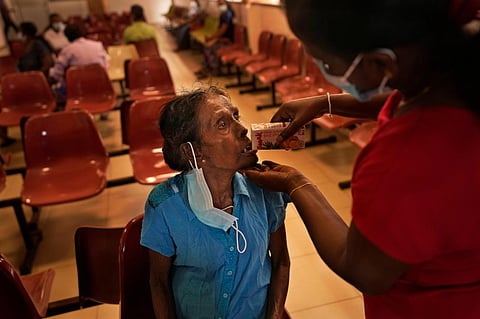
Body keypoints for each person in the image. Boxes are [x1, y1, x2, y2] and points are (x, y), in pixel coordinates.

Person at [242, 0, 480, 318]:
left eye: (326, 63)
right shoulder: (447, 70)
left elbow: (365, 270)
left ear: (380, 63)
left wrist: (296, 184)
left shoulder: (404, 159)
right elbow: (406, 95)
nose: (324, 71)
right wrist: (326, 102)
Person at [141, 86, 290, 318]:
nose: (242, 129)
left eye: (236, 117)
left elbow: (281, 262)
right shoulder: (164, 205)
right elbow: (158, 282)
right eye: (222, 125)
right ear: (194, 152)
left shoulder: (266, 188)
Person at [49, 23, 108, 110]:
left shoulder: (67, 50)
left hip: (77, 89)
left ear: (67, 37)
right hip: (100, 86)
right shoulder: (97, 45)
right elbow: (105, 66)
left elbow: (57, 73)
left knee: (57, 92)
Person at [194, 0, 235, 79]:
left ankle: (214, 69)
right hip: (221, 39)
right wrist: (213, 38)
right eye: (218, 3)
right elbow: (219, 29)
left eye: (220, 3)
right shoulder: (223, 14)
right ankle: (206, 68)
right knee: (206, 46)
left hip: (227, 41)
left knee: (211, 47)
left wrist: (212, 38)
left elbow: (223, 30)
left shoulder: (228, 14)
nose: (219, 4)